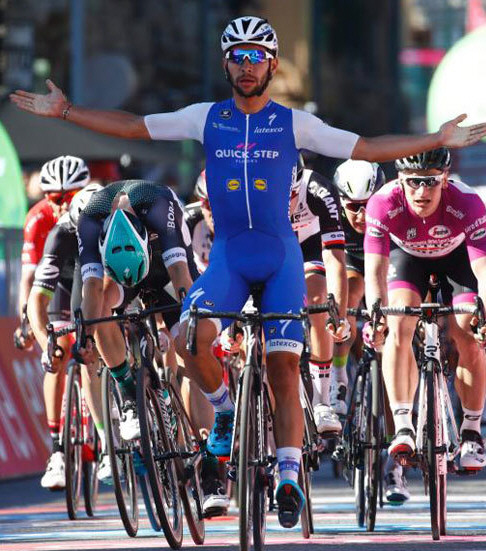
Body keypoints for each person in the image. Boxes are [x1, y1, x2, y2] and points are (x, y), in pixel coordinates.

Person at [10, 15, 486, 528]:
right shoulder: (205, 117)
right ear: (226, 65)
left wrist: (435, 137)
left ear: (273, 64)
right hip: (229, 261)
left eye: (256, 56)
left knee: (282, 368)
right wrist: (66, 112)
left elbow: (367, 148)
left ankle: (288, 472)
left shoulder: (295, 123)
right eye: (237, 57)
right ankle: (225, 410)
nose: (247, 66)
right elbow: (132, 126)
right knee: (187, 340)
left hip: (280, 260)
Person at [364, 147, 486, 473]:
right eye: (413, 181)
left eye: (430, 182)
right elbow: (375, 271)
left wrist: (484, 315)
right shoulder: (382, 203)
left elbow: (483, 269)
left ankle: (471, 430)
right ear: (399, 179)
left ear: (444, 179)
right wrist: (377, 315)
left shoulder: (468, 202)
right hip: (407, 259)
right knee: (398, 322)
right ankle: (404, 425)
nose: (422, 191)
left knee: (468, 330)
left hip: (457, 259)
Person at [73, 180, 196, 443]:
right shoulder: (90, 221)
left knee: (192, 348)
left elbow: (180, 274)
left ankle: (207, 443)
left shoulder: (158, 203)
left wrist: (189, 323)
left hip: (165, 267)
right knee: (99, 308)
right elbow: (92, 288)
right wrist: (85, 337)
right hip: (118, 275)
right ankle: (129, 393)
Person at [332, 159, 410, 504]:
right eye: (353, 207)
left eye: (367, 205)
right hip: (353, 263)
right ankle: (339, 379)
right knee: (347, 296)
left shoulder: (394, 210)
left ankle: (396, 464)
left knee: (396, 350)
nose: (361, 215)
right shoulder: (333, 217)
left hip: (389, 264)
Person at [27, 184, 112, 486]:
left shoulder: (115, 226)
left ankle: (108, 439)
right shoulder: (60, 233)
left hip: (104, 275)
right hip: (66, 282)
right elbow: (36, 298)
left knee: (98, 338)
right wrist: (45, 344)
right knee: (61, 351)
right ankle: (57, 452)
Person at [14, 155, 90, 490]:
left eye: (68, 197)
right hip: (56, 282)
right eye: (53, 198)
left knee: (94, 344)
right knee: (55, 352)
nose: (60, 205)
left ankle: (105, 431)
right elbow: (28, 281)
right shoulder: (37, 218)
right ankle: (57, 450)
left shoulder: (94, 211)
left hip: (88, 278)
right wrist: (25, 322)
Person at [290, 157, 349, 434]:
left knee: (318, 299)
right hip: (272, 245)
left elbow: (335, 258)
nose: (287, 201)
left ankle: (322, 400)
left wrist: (338, 314)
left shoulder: (319, 190)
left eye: (292, 194)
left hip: (310, 245)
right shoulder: (252, 187)